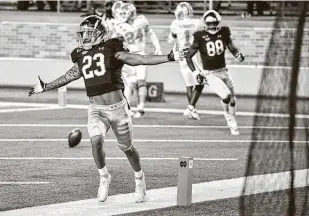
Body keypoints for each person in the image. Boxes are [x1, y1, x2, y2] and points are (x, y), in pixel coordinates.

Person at [28, 15, 178, 203]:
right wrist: (46, 86)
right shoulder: (81, 55)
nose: (84, 38)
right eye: (82, 34)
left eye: (89, 34)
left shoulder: (111, 47)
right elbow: (70, 75)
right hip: (97, 109)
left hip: (119, 109)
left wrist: (169, 57)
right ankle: (104, 176)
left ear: (100, 34)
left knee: (127, 148)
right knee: (96, 141)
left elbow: (137, 59)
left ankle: (139, 178)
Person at [185, 10, 245, 135]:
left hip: (223, 71)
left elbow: (231, 46)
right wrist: (195, 72)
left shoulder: (224, 32)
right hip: (210, 73)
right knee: (226, 96)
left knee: (233, 100)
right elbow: (188, 56)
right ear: (205, 23)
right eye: (209, 24)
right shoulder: (199, 36)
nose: (212, 26)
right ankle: (228, 117)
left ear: (218, 22)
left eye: (214, 23)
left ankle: (232, 119)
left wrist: (237, 54)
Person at [115, 3, 162, 118]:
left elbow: (151, 33)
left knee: (141, 82)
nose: (122, 15)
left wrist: (158, 47)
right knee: (129, 83)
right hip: (129, 56)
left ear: (131, 12)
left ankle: (141, 108)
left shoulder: (141, 21)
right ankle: (128, 109)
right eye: (121, 13)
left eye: (124, 13)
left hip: (141, 54)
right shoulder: (120, 25)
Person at [168, 1, 205, 120]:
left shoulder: (175, 24)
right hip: (194, 55)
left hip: (182, 55)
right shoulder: (198, 23)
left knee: (189, 84)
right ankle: (190, 108)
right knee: (200, 82)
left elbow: (171, 40)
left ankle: (192, 109)